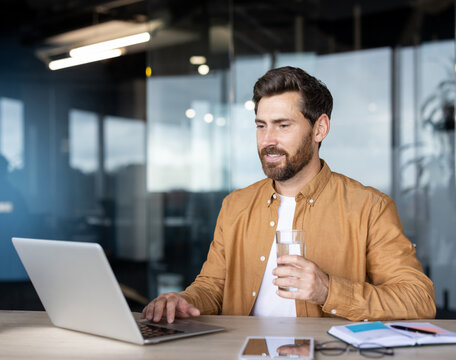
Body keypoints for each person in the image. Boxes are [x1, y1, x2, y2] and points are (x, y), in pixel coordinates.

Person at [142, 66, 436, 323]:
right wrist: (183, 301)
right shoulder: (236, 205)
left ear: (320, 128)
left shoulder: (370, 207)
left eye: (283, 125)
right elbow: (212, 286)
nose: (268, 140)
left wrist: (328, 290)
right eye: (261, 126)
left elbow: (418, 300)